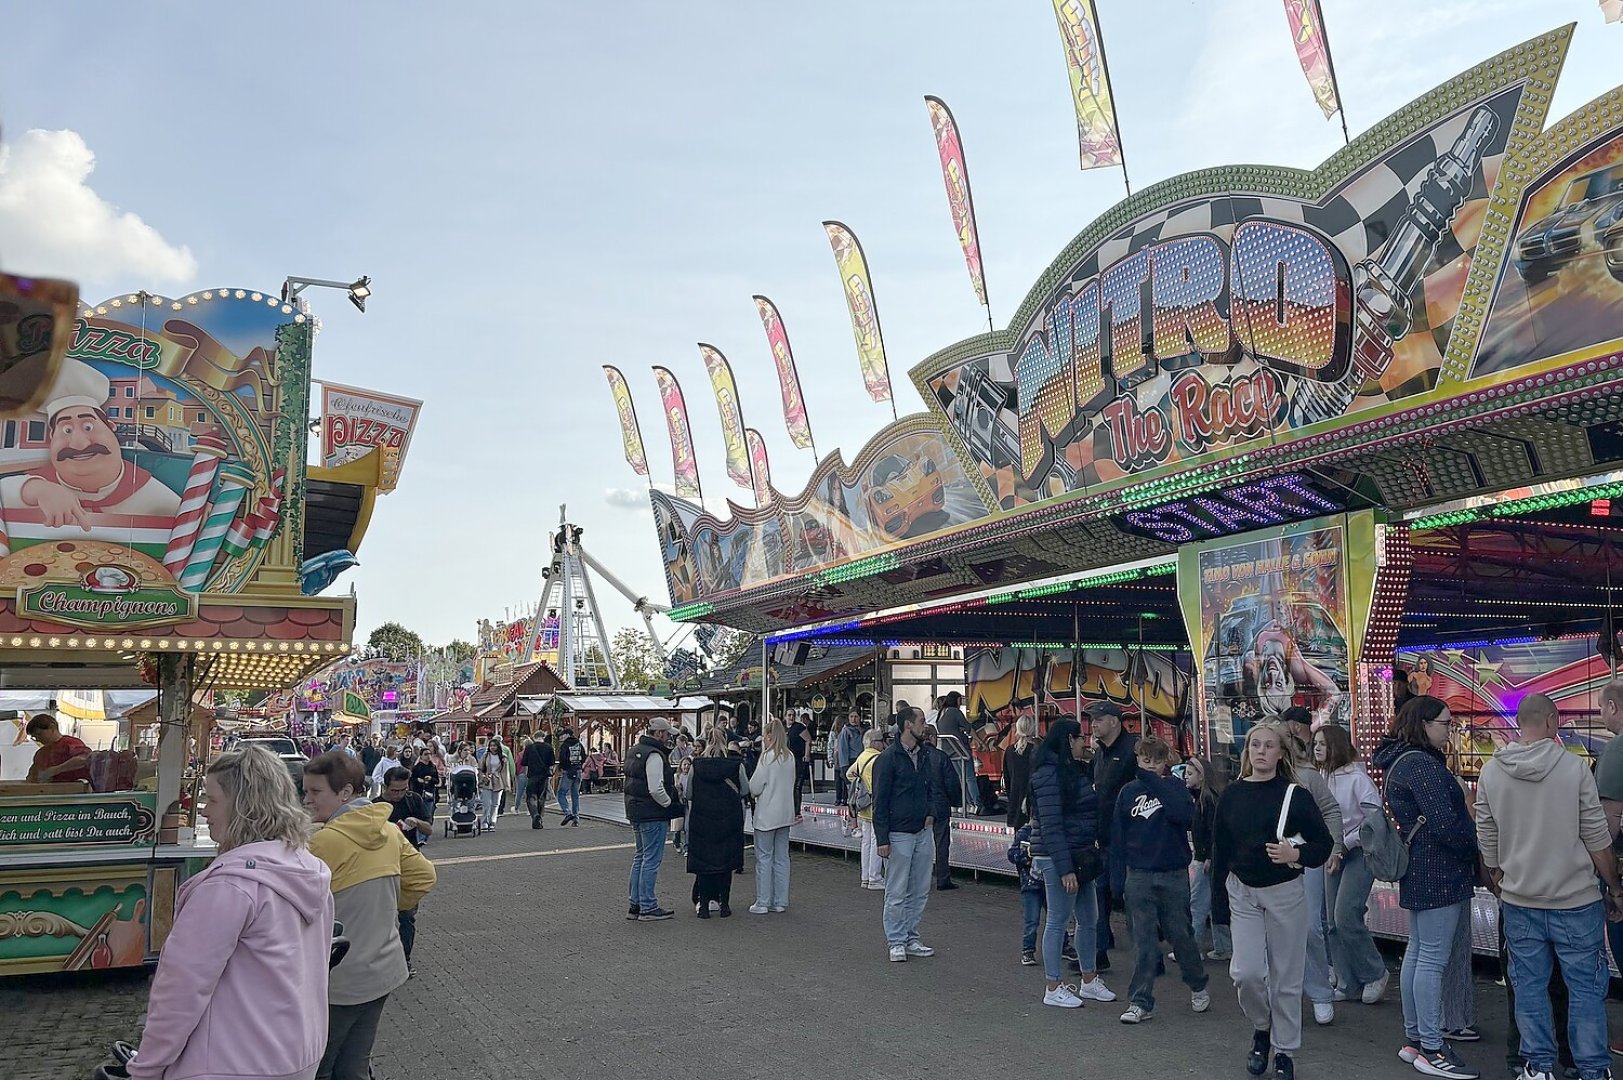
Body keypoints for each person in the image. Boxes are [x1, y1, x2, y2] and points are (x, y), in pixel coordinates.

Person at [126, 745, 333, 1080]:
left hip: (229, 1061)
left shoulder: (228, 888)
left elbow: (179, 991)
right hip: (296, 1054)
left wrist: (146, 1067)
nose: (204, 811)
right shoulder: (309, 870)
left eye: (212, 800)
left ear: (243, 807)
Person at [1477, 692, 1622, 1080]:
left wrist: (1497, 874)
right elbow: (1596, 836)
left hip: (1520, 901)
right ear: (1553, 721)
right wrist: (1614, 886)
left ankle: (1537, 1067)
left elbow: (1486, 833)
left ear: (1520, 723)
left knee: (1529, 989)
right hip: (1575, 901)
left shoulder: (1492, 772)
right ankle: (1592, 1069)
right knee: (1586, 991)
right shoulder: (1573, 770)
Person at [303, 751, 436, 1080]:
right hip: (383, 967)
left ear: (345, 793)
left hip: (338, 978)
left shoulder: (321, 843)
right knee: (354, 1064)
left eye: (315, 792)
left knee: (317, 1067)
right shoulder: (389, 830)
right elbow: (423, 877)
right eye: (305, 791)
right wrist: (389, 908)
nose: (306, 800)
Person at [1211, 722, 1333, 1080]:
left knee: (1286, 979)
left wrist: (1293, 851)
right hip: (1242, 890)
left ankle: (1284, 1052)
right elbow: (1220, 849)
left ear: (1281, 754)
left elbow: (1322, 845)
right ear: (1247, 752)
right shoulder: (1231, 795)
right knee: (1245, 973)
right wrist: (1218, 906)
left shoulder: (1294, 795)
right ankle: (1262, 1026)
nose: (1261, 751)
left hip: (1284, 892)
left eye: (1268, 746)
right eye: (1255, 745)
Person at [1373, 696, 1482, 1080]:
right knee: (1431, 957)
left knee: (1419, 953)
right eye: (1445, 723)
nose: (1449, 730)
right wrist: (1475, 850)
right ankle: (1433, 1047)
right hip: (1440, 869)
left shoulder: (1399, 761)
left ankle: (1416, 1037)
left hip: (1419, 866)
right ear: (1424, 725)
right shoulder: (1422, 765)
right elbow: (1446, 822)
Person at [1115, 734, 1208, 1024]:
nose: (1151, 765)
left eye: (1156, 760)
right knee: (1143, 941)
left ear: (1165, 762)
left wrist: (1154, 780)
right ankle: (1140, 1002)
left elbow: (1184, 815)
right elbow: (1117, 836)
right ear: (1138, 760)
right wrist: (1117, 878)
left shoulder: (1175, 788)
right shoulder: (1128, 793)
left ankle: (1197, 983)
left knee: (1180, 935)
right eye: (1145, 760)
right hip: (1139, 874)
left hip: (1172, 874)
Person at [1027, 717, 1115, 1007]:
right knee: (1058, 920)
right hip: (1059, 857)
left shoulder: (1071, 770)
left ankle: (1088, 979)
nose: (1084, 743)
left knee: (1089, 918)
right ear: (1068, 741)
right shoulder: (1050, 774)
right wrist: (1064, 867)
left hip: (1079, 853)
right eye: (1080, 738)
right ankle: (1053, 986)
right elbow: (1051, 824)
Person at [1313, 724, 1389, 1006]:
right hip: (1333, 850)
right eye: (1316, 743)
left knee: (1346, 913)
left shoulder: (1357, 779)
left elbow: (1374, 820)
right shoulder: (1320, 776)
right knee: (1332, 920)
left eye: (1323, 743)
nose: (1318, 748)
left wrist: (1346, 843)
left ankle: (1375, 972)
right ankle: (1347, 981)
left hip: (1359, 852)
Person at [1280, 706, 1345, 1027]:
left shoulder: (1307, 777)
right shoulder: (1249, 781)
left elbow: (1331, 810)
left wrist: (1333, 846)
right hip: (1267, 862)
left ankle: (1319, 992)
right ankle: (1278, 994)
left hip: (1306, 859)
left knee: (1310, 927)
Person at [873, 707, 938, 962]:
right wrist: (882, 839)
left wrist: (930, 811)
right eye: (921, 721)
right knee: (896, 890)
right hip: (899, 832)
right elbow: (880, 799)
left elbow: (931, 786)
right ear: (908, 725)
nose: (926, 726)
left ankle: (910, 935)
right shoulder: (888, 759)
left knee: (920, 888)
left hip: (922, 829)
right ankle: (896, 940)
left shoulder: (923, 755)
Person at [1090, 701, 1138, 970]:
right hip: (1104, 835)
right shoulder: (1101, 753)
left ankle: (1147, 953)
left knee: (1129, 895)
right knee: (1100, 891)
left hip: (1129, 838)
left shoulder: (1132, 750)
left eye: (1099, 719)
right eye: (1092, 720)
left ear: (1115, 722)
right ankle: (1099, 948)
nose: (1094, 724)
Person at [625, 717, 683, 921]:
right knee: (651, 859)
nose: (668, 738)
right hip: (652, 812)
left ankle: (635, 903)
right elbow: (655, 787)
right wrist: (669, 803)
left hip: (636, 810)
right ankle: (648, 906)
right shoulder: (655, 755)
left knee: (640, 856)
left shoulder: (635, 750)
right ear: (658, 733)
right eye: (667, 734)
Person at [687, 728, 747, 918]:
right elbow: (744, 789)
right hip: (728, 820)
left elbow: (689, 793)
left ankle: (703, 906)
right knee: (725, 863)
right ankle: (725, 905)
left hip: (702, 820)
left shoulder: (696, 765)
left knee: (705, 865)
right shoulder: (736, 765)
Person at [379, 766, 433, 973]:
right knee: (383, 916)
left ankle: (404, 959)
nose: (399, 795)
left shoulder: (413, 800)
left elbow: (428, 829)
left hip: (408, 865)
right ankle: (383, 960)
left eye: (403, 790)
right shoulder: (376, 806)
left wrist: (417, 822)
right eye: (395, 791)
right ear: (385, 787)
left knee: (407, 915)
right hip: (383, 866)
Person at [1593, 680, 1623, 1002]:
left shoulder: (1617, 749)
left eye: (1602, 707)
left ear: (1613, 707)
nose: (1602, 714)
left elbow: (1607, 825)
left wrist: (1611, 884)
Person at [748, 717, 797, 914]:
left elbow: (754, 786)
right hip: (785, 814)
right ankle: (780, 901)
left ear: (769, 736)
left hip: (767, 814)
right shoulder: (790, 757)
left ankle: (763, 901)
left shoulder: (767, 758)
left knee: (764, 858)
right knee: (782, 858)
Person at [1187, 756, 1233, 961]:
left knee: (1198, 903)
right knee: (1213, 902)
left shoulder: (1206, 800)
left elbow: (1211, 831)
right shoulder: (1208, 798)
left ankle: (1193, 947)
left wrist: (1206, 856)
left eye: (1189, 774)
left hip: (1204, 857)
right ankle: (1222, 946)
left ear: (1201, 775)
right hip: (1208, 857)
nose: (1185, 778)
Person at [920, 726, 963, 892]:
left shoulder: (915, 757)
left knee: (920, 844)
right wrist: (956, 801)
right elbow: (952, 783)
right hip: (940, 804)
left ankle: (920, 879)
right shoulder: (941, 757)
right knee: (942, 843)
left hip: (921, 806)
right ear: (931, 737)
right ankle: (943, 879)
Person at [848, 728, 885, 889]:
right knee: (877, 840)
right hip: (876, 804)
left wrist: (860, 786)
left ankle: (865, 877)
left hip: (863, 805)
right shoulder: (879, 758)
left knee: (866, 842)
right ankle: (874, 878)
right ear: (875, 742)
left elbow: (850, 774)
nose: (883, 744)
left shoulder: (862, 757)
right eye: (881, 741)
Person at [935, 691, 979, 816]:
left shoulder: (941, 713)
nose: (961, 703)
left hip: (948, 751)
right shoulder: (955, 712)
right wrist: (979, 741)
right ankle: (977, 803)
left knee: (961, 778)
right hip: (960, 750)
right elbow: (968, 728)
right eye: (960, 700)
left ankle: (968, 803)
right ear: (956, 700)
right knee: (970, 778)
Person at [1008, 820, 1045, 966]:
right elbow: (1012, 854)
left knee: (1056, 919)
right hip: (1030, 884)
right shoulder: (1025, 832)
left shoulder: (1050, 829)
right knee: (1032, 919)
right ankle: (1028, 950)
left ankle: (1063, 945)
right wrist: (1026, 856)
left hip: (1048, 882)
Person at [24, 714, 90, 785]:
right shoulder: (40, 754)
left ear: (52, 728)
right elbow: (32, 776)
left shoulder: (71, 743)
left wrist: (54, 770)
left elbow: (84, 760)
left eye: (39, 734)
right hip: (50, 793)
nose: (38, 739)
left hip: (76, 792)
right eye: (34, 737)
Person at [1003, 714, 1038, 828]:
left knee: (1019, 839)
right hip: (1033, 802)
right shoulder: (1037, 751)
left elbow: (1007, 779)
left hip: (1015, 800)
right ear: (1033, 729)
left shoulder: (1009, 751)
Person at [520, 732, 556, 830]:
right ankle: (539, 817)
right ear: (543, 737)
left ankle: (535, 814)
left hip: (532, 775)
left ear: (534, 737)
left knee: (531, 796)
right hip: (544, 776)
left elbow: (524, 762)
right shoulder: (549, 747)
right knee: (541, 797)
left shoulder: (529, 748)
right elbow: (552, 763)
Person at [835, 710, 865, 807]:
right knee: (852, 791)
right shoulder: (846, 731)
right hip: (851, 762)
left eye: (856, 717)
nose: (853, 719)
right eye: (851, 717)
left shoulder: (862, 730)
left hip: (862, 761)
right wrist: (844, 767)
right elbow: (843, 750)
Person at [556, 727, 586, 825]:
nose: (561, 737)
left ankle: (567, 812)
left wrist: (563, 768)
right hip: (578, 770)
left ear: (567, 735)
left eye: (563, 735)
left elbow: (563, 758)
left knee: (561, 793)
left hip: (568, 771)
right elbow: (584, 756)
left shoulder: (565, 745)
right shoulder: (579, 744)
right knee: (575, 794)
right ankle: (576, 817)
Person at [477, 738, 508, 830]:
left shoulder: (503, 757)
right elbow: (480, 768)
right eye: (491, 746)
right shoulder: (485, 756)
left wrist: (506, 785)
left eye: (494, 746)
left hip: (498, 781)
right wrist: (482, 777)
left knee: (495, 804)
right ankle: (484, 822)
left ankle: (492, 822)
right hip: (487, 781)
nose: (493, 748)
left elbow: (505, 772)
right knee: (486, 803)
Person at [407, 746, 441, 826]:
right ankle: (421, 835)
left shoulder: (433, 767)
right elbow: (411, 780)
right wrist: (418, 780)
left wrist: (431, 779)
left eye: (430, 754)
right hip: (419, 793)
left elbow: (437, 780)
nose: (428, 756)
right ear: (421, 756)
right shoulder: (416, 767)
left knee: (429, 814)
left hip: (430, 793)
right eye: (426, 754)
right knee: (420, 814)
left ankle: (426, 832)